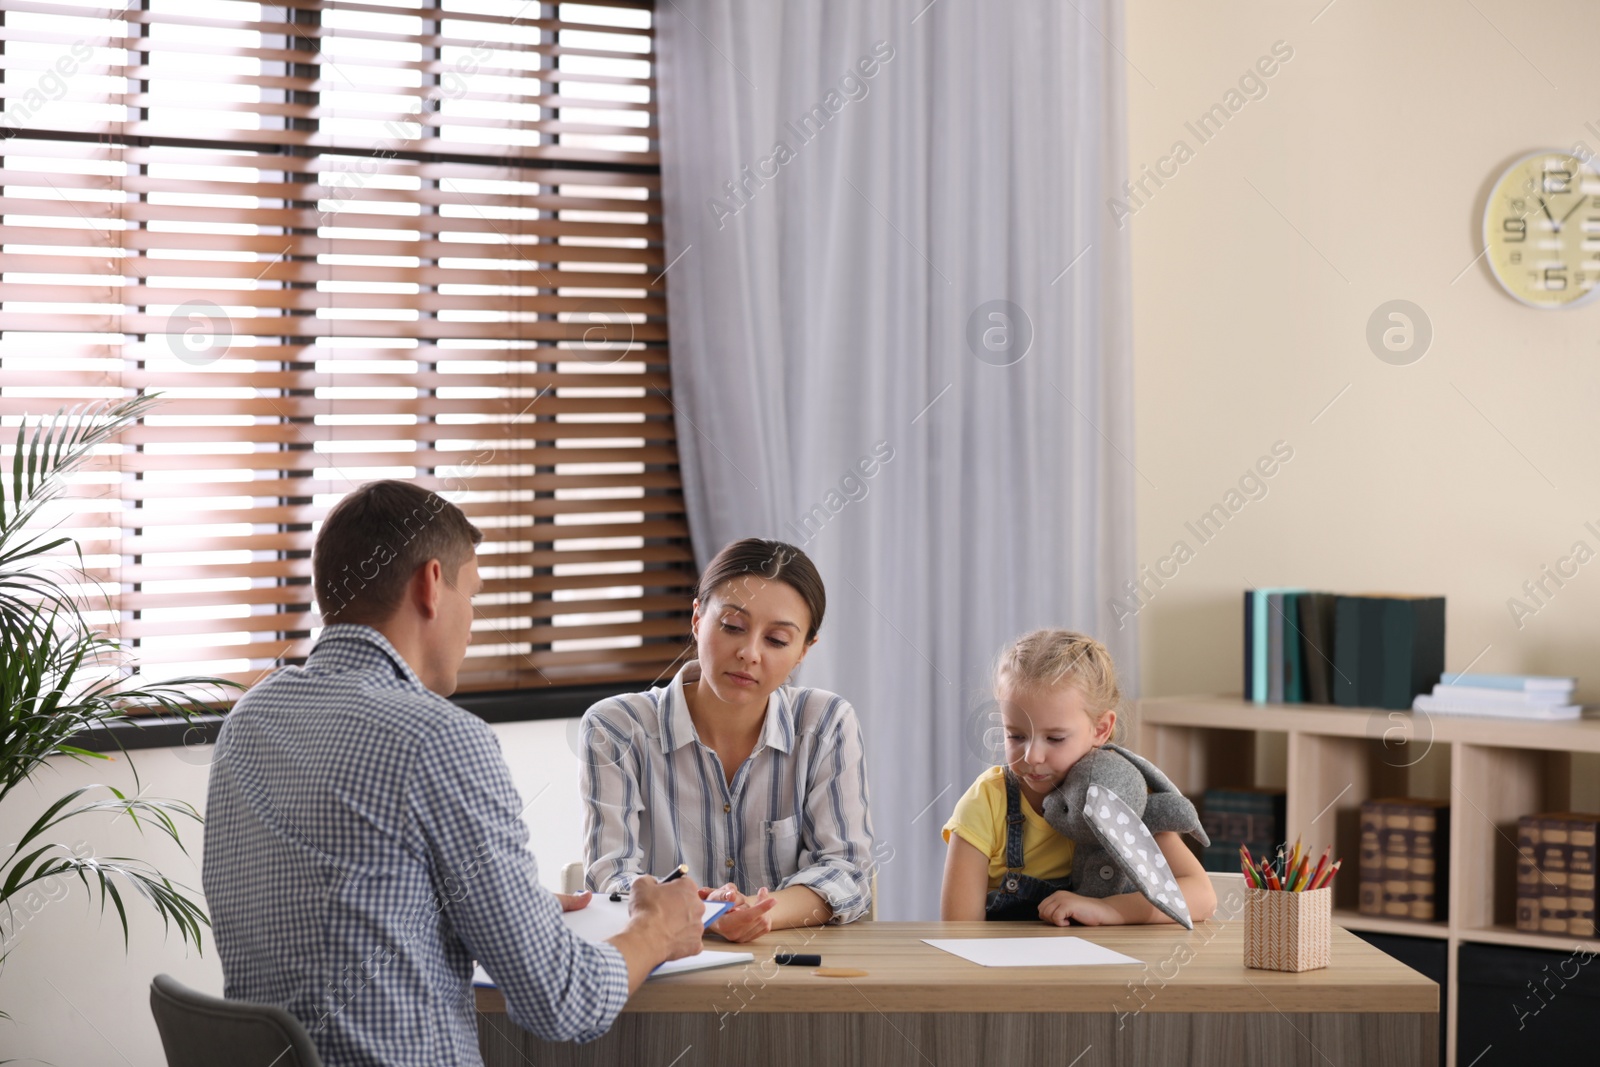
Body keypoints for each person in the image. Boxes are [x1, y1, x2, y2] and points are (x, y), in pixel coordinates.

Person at [201, 480, 705, 1067]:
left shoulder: (251, 716)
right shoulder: (437, 737)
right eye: (474, 594)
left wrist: (505, 906)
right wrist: (656, 929)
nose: (473, 624)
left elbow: (337, 907)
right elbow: (562, 1003)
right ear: (431, 585)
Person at [579, 538, 875, 942]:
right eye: (732, 627)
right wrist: (708, 916)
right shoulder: (616, 727)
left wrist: (758, 912)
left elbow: (847, 870)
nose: (749, 653)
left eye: (777, 640)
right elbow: (610, 877)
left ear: (805, 650)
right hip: (657, 970)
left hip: (789, 973)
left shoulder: (825, 724)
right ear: (698, 618)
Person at [939, 628, 1216, 925]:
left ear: (1100, 729)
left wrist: (1110, 910)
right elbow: (959, 931)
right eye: (1016, 735)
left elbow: (1201, 896)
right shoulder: (986, 804)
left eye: (1055, 738)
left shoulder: (1121, 794)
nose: (1032, 756)